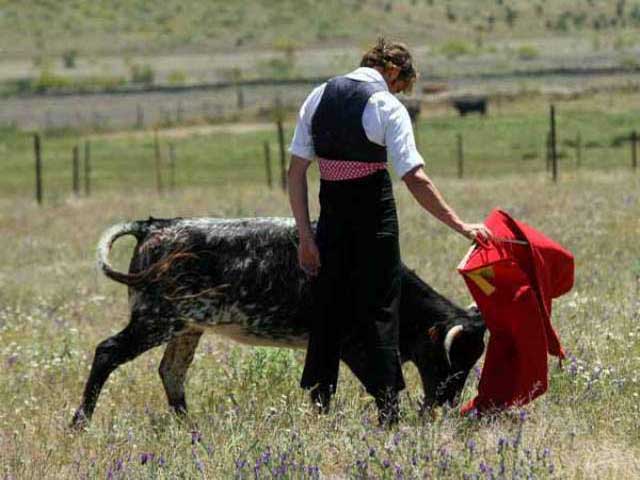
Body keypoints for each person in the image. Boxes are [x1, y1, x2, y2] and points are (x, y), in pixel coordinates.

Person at [287, 38, 492, 425]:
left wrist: (306, 237)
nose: (399, 92)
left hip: (330, 224)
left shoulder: (317, 96)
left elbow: (296, 173)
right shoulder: (386, 106)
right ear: (394, 71)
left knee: (328, 311)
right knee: (380, 312)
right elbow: (415, 178)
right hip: (374, 224)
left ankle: (320, 407)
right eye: (402, 84)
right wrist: (461, 226)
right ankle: (387, 411)